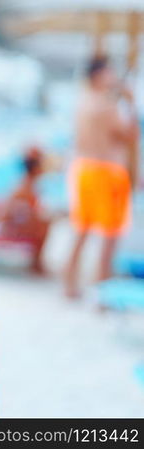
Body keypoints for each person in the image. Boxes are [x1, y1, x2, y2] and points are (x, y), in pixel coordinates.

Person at [64, 56, 140, 299]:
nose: (113, 76)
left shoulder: (83, 101)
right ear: (98, 75)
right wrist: (130, 103)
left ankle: (69, 283)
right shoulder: (107, 105)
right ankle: (104, 290)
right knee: (110, 236)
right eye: (109, 72)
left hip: (83, 168)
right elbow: (130, 135)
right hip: (106, 171)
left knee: (82, 230)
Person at [0, 147, 51, 274]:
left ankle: (36, 263)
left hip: (9, 223)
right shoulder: (25, 187)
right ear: (36, 168)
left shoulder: (27, 185)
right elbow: (5, 213)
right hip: (9, 228)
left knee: (45, 223)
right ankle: (36, 264)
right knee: (45, 225)